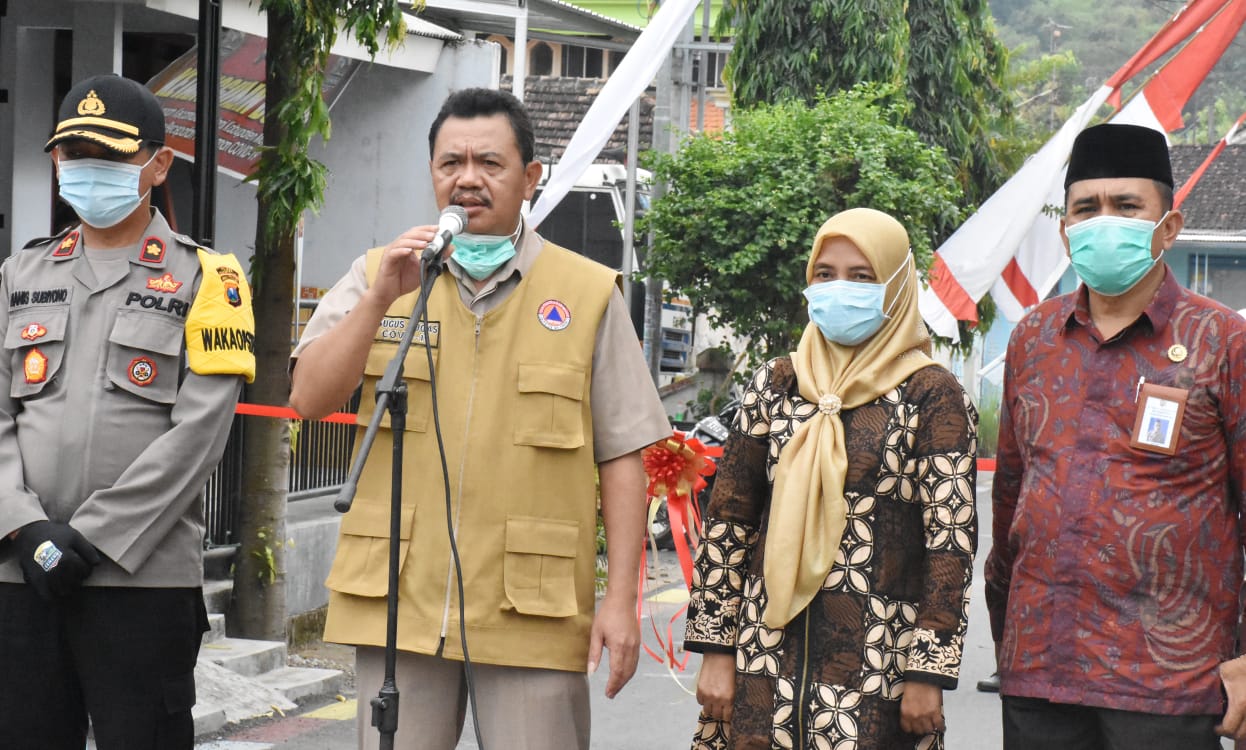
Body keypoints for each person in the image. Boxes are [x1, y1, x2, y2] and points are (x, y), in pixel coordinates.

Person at [288, 87, 670, 750]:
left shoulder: (586, 293)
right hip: (399, 603)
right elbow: (310, 399)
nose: (467, 178)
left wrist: (620, 603)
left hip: (532, 608)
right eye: (451, 163)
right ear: (431, 174)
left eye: (490, 163)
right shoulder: (380, 274)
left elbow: (622, 454)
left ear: (530, 177)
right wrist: (379, 300)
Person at [0, 74, 255, 750]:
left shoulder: (210, 279)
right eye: (73, 154)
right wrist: (23, 526)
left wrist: (90, 537)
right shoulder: (20, 275)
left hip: (140, 579)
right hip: (20, 571)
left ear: (158, 164)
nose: (87, 170)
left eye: (109, 156)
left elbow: (198, 437)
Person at [984, 122, 1246, 749]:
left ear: (1168, 227)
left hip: (1169, 684)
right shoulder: (1033, 339)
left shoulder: (1223, 342)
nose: (1104, 222)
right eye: (1087, 208)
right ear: (1066, 230)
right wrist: (1005, 635)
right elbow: (1010, 500)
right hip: (1039, 676)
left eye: (1127, 206)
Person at [684, 207, 978, 749]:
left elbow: (950, 542)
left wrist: (928, 672)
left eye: (862, 277)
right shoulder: (777, 383)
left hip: (879, 665)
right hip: (762, 655)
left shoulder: (932, 395)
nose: (839, 288)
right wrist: (716, 651)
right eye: (825, 274)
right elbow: (729, 521)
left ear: (896, 287)